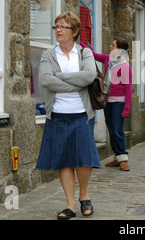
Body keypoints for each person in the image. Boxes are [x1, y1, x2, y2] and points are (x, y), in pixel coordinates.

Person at [36, 11, 101, 220]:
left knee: (84, 159)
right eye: (56, 27)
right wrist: (76, 81)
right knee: (64, 161)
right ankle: (70, 205)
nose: (59, 31)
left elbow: (90, 76)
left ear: (75, 32)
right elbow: (46, 80)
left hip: (81, 115)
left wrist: (61, 77)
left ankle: (84, 195)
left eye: (63, 27)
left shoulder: (85, 53)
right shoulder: (48, 54)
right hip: (58, 115)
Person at [92, 39, 132, 171]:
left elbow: (128, 88)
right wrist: (79, 40)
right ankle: (117, 156)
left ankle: (123, 158)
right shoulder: (108, 59)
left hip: (119, 102)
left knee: (117, 129)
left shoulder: (125, 66)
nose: (109, 46)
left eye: (113, 45)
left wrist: (126, 108)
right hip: (108, 100)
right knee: (111, 129)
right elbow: (94, 55)